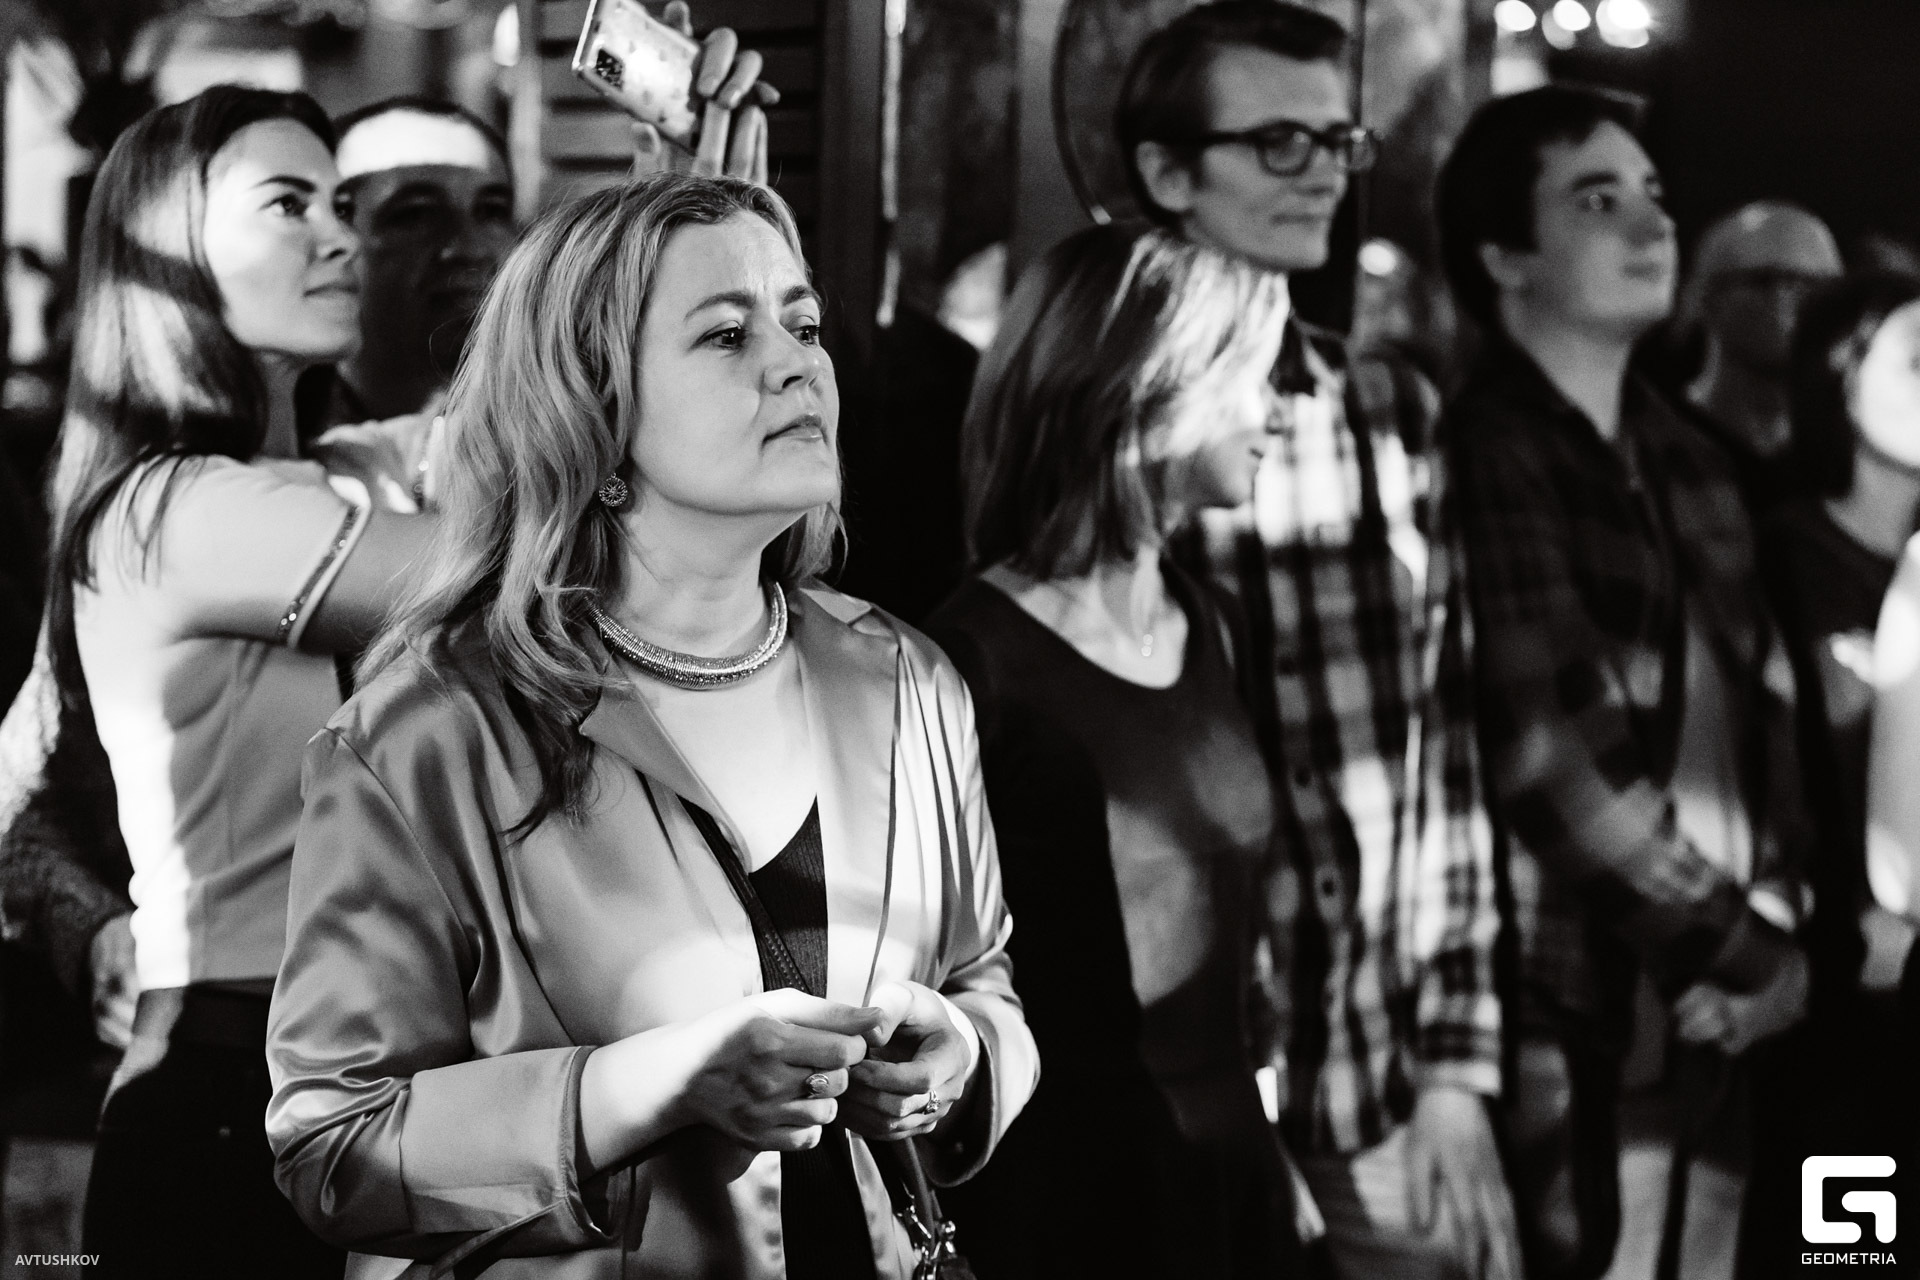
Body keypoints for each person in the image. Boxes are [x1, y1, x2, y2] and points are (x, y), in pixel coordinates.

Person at [265, 172, 1037, 1280]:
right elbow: (333, 1148)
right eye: (726, 334)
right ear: (592, 412)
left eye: (803, 324)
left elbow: (982, 973)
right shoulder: (426, 737)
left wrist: (959, 1054)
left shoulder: (907, 681)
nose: (797, 364)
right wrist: (645, 1084)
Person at [1120, 6, 1513, 1278]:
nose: (1323, 174)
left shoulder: (1383, 405)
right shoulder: (1108, 419)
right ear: (1167, 170)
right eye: (1279, 141)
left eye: (1337, 140)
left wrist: (1456, 1064)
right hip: (1178, 1083)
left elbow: (1444, 746)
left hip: (1375, 1064)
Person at [45, 85, 445, 1277]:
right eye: (288, 204)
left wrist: (674, 194)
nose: (339, 237)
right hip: (226, 1086)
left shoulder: (340, 472)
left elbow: (553, 418)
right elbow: (513, 567)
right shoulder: (169, 506)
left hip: (348, 1074)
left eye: (341, 205)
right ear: (169, 246)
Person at [1437, 86, 1814, 1280]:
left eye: (1654, 194)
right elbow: (1555, 767)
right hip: (1576, 1003)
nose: (1653, 224)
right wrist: (1754, 953)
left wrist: (1778, 918)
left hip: (1716, 1002)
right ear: (1504, 255)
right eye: (1597, 200)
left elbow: (1765, 722)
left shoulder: (1690, 457)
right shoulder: (1489, 453)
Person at [926, 223, 1297, 1279]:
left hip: (1229, 1179)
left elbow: (1236, 945)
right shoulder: (968, 662)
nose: (1278, 412)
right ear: (1150, 387)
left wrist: (1270, 1150)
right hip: (1073, 1202)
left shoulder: (1214, 620)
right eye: (1253, 375)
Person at [1744, 274, 1920, 1274]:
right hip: (1837, 1007)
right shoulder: (1783, 554)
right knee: (1851, 1259)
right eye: (1917, 361)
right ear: (1839, 381)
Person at [1672, 202, 1844, 514]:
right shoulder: (1654, 444)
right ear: (1706, 297)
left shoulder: (1846, 460)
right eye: (1769, 280)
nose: (1803, 303)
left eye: (1821, 287)